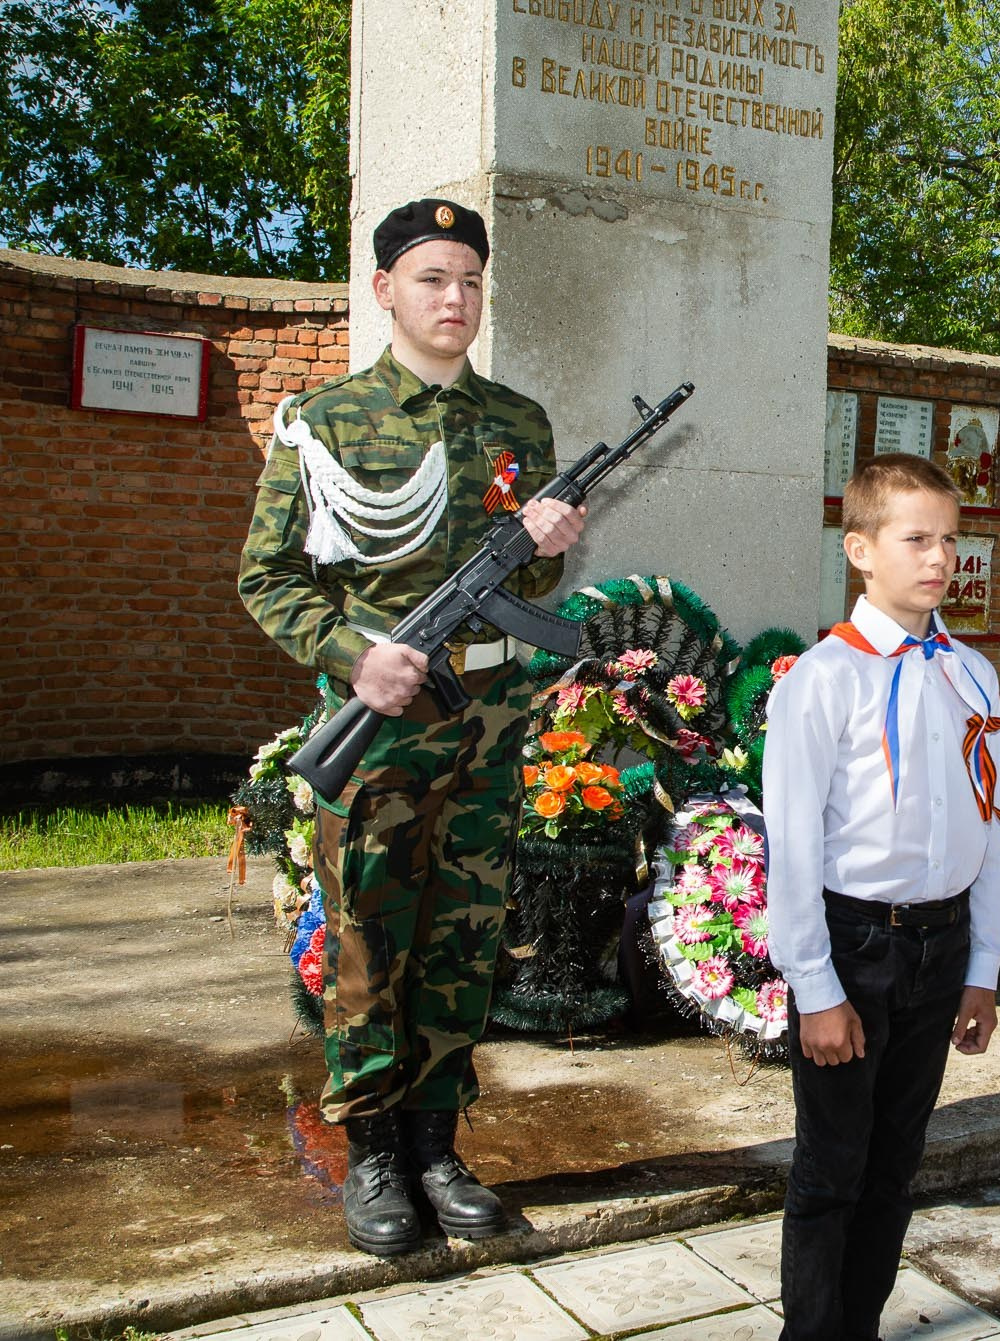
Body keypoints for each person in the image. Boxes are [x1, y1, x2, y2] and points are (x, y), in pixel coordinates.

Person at [239, 198, 587, 1255]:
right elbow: (265, 578)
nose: (455, 299)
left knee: (463, 942)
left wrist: (549, 543)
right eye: (434, 278)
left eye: (471, 281)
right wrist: (356, 656)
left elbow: (532, 577)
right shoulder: (327, 421)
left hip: (484, 722)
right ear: (386, 288)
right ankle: (375, 1154)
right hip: (384, 727)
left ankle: (438, 1144)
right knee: (367, 943)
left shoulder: (519, 423)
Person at [763, 452, 1000, 1341]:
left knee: (895, 1164)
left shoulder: (971, 674)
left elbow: (992, 830)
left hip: (940, 951)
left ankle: (855, 1327)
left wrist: (982, 967)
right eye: (917, 538)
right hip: (854, 944)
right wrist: (816, 990)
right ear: (861, 548)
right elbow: (789, 847)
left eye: (951, 538)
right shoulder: (822, 679)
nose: (940, 556)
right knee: (832, 1170)